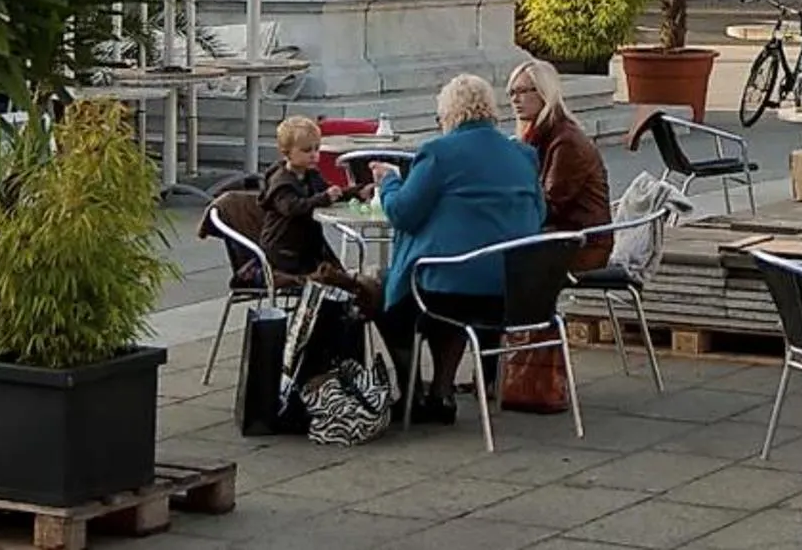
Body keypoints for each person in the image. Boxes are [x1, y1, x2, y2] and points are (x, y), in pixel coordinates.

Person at [376, 73, 544, 425]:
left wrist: (389, 181)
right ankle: (441, 390)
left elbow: (403, 214)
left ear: (448, 115)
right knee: (448, 283)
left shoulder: (438, 153)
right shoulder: (522, 155)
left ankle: (412, 393)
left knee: (384, 292)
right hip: (514, 292)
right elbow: (539, 214)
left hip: (451, 288)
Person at [508, 60, 613, 271]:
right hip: (561, 236)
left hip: (582, 244)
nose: (515, 100)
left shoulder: (566, 141)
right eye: (511, 92)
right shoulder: (538, 135)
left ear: (544, 93)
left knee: (500, 257)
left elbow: (550, 205)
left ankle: (528, 305)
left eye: (523, 91)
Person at [254, 115, 347, 279]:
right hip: (284, 251)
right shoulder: (281, 182)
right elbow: (292, 207)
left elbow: (329, 191)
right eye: (306, 150)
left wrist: (355, 192)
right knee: (332, 276)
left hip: (307, 246)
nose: (313, 155)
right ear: (286, 152)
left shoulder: (311, 175)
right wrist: (324, 197)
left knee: (339, 275)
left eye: (316, 149)